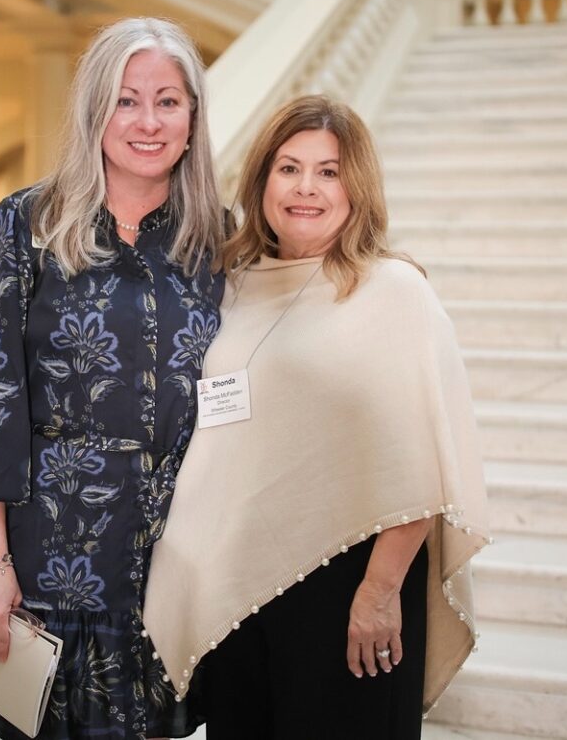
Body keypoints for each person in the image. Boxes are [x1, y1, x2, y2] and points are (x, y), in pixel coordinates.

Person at [143, 95, 490, 739]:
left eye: (328, 172)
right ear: (262, 182)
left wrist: (379, 593)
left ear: (356, 188)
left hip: (350, 583)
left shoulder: (393, 290)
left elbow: (421, 461)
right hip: (241, 587)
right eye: (289, 168)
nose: (306, 188)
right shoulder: (233, 284)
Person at [0, 17, 225, 740]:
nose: (148, 122)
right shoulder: (27, 225)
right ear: (94, 111)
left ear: (192, 118)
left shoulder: (219, 240)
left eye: (168, 101)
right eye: (126, 100)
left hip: (175, 557)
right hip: (50, 558)